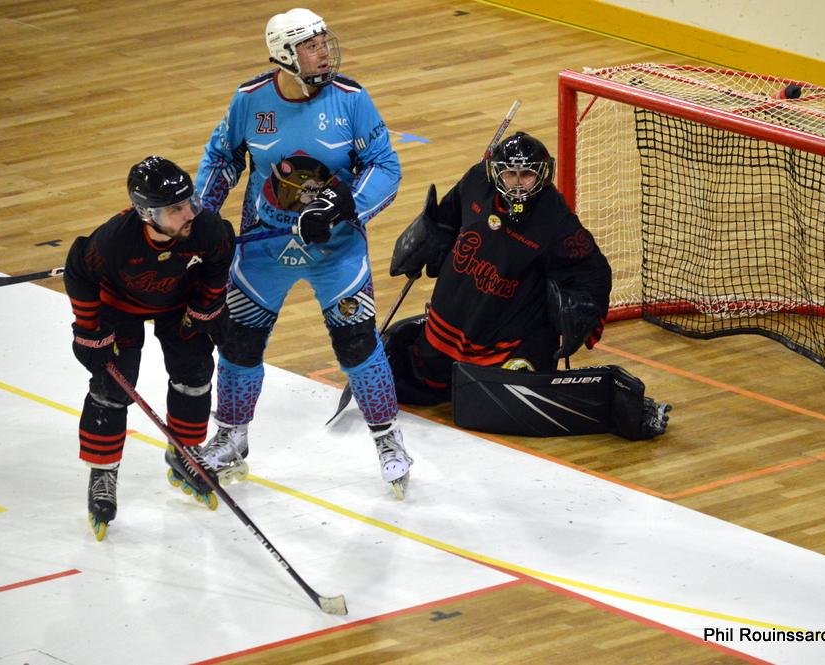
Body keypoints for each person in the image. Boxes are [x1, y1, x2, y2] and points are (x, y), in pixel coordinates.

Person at [194, 8, 411, 498]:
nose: (324, 52)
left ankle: (387, 438)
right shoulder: (250, 100)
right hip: (264, 244)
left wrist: (341, 206)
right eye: (311, 46)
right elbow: (221, 158)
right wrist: (202, 220)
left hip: (336, 249)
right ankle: (231, 436)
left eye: (323, 42)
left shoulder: (352, 99)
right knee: (239, 341)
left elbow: (385, 166)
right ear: (285, 55)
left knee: (356, 343)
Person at [388, 131, 671, 440]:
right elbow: (447, 216)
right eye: (510, 174)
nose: (518, 183)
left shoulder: (555, 218)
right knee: (412, 383)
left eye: (527, 174)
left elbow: (592, 271)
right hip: (453, 315)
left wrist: (580, 315)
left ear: (542, 175)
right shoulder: (476, 181)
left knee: (504, 402)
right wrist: (427, 238)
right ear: (496, 172)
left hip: (507, 334)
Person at [65, 156, 235, 541]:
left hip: (177, 304)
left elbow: (220, 258)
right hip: (119, 309)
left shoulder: (206, 228)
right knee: (114, 387)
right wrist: (89, 331)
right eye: (176, 209)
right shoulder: (114, 240)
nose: (189, 213)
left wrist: (207, 307)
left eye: (189, 202)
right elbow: (78, 272)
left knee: (195, 373)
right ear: (147, 214)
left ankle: (184, 452)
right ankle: (103, 474)